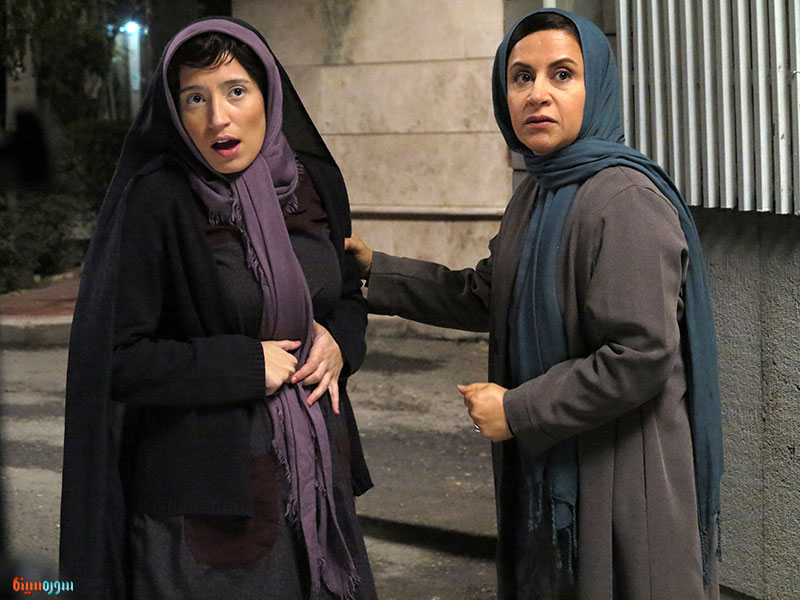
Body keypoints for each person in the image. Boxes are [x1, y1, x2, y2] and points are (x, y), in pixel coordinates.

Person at [346, 8, 722, 600]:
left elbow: (640, 356)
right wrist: (376, 272)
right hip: (558, 467)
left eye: (562, 74)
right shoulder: (538, 193)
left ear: (596, 87)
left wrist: (518, 409)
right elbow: (489, 294)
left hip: (620, 475)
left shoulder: (623, 199)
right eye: (521, 77)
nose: (537, 94)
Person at [59, 17, 377, 600]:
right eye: (194, 99)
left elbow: (346, 296)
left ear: (267, 95)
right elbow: (115, 359)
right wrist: (241, 366)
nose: (217, 119)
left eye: (235, 91)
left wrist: (339, 343)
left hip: (314, 473)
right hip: (203, 502)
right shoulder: (159, 198)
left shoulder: (314, 184)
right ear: (175, 112)